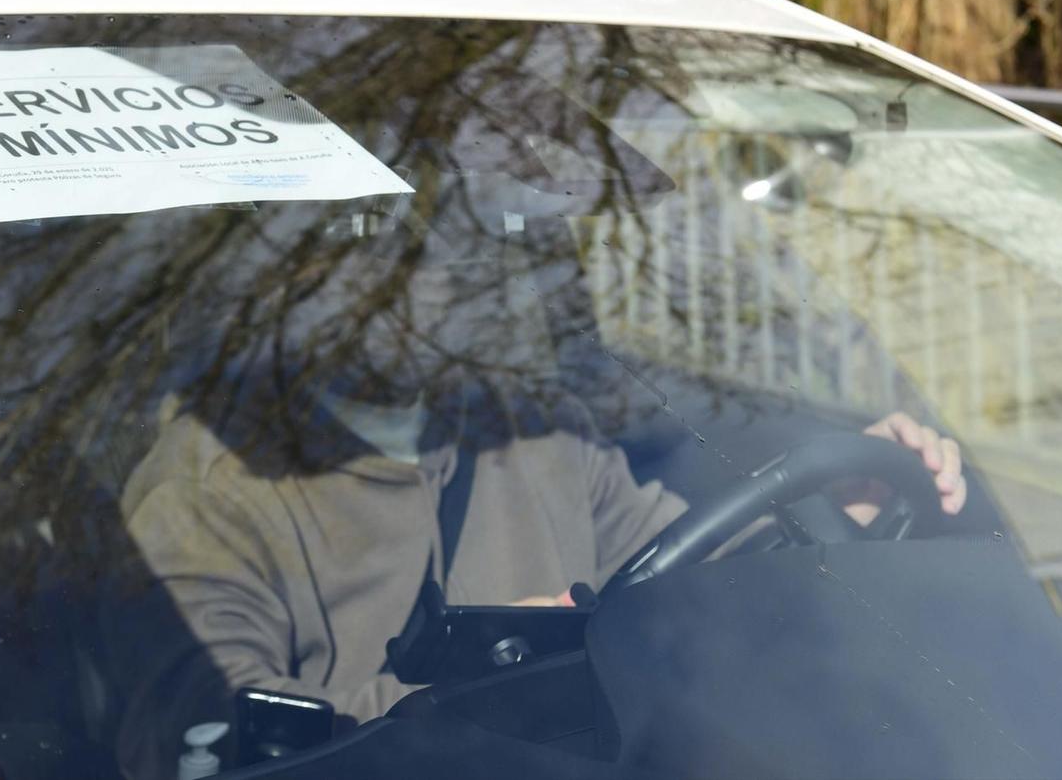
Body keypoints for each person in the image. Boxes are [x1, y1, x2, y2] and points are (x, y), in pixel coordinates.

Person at [106, 190, 967, 780]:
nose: (405, 279)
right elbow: (208, 741)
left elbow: (690, 573)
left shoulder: (530, 430)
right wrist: (499, 682)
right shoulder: (205, 492)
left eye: (426, 242)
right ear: (282, 283)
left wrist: (842, 512)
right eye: (357, 247)